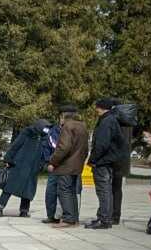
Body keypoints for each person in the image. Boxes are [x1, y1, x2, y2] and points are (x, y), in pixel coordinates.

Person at [87, 98, 128, 229]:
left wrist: (92, 159)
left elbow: (102, 144)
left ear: (101, 107)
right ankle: (104, 217)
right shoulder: (112, 119)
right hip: (109, 161)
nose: (95, 110)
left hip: (102, 162)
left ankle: (104, 219)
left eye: (97, 107)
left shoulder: (106, 121)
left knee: (104, 191)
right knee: (107, 191)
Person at [45, 105, 88, 228]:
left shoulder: (67, 127)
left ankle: (68, 219)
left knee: (64, 191)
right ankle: (74, 219)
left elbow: (63, 147)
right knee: (72, 192)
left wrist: (53, 162)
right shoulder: (82, 126)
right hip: (77, 165)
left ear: (63, 117)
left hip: (66, 165)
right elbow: (85, 148)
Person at [0, 119, 49, 217]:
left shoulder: (44, 138)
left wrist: (41, 165)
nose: (46, 130)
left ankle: (24, 210)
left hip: (33, 168)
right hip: (19, 165)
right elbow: (15, 146)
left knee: (28, 190)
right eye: (45, 128)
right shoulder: (27, 133)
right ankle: (0, 207)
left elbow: (44, 154)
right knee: (9, 187)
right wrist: (8, 159)